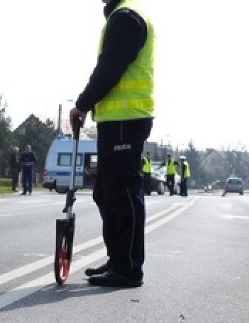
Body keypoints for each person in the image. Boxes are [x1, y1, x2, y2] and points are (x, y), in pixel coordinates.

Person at [71, 0, 153, 288]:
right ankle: (117, 259)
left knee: (124, 195)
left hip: (125, 121)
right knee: (105, 193)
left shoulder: (127, 18)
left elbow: (111, 66)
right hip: (115, 121)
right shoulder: (119, 17)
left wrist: (82, 104)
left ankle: (128, 268)